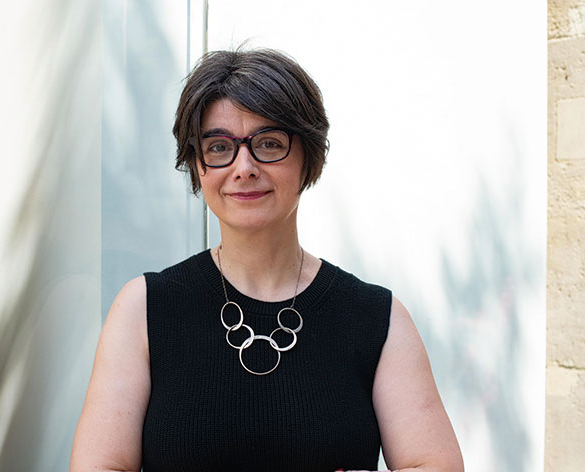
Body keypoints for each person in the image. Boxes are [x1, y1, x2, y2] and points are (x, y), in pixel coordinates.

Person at [70, 48, 463, 472]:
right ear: (197, 165)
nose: (244, 166)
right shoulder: (143, 310)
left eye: (269, 144)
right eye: (219, 146)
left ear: (308, 157)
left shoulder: (376, 318)